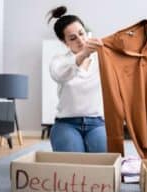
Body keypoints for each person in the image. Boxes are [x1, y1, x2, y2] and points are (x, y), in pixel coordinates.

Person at [47, 6, 106, 152]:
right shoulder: (59, 61)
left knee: (105, 162)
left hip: (96, 123)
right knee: (73, 165)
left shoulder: (101, 59)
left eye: (82, 33)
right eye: (73, 38)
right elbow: (59, 75)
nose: (80, 40)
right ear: (65, 42)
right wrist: (84, 54)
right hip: (66, 123)